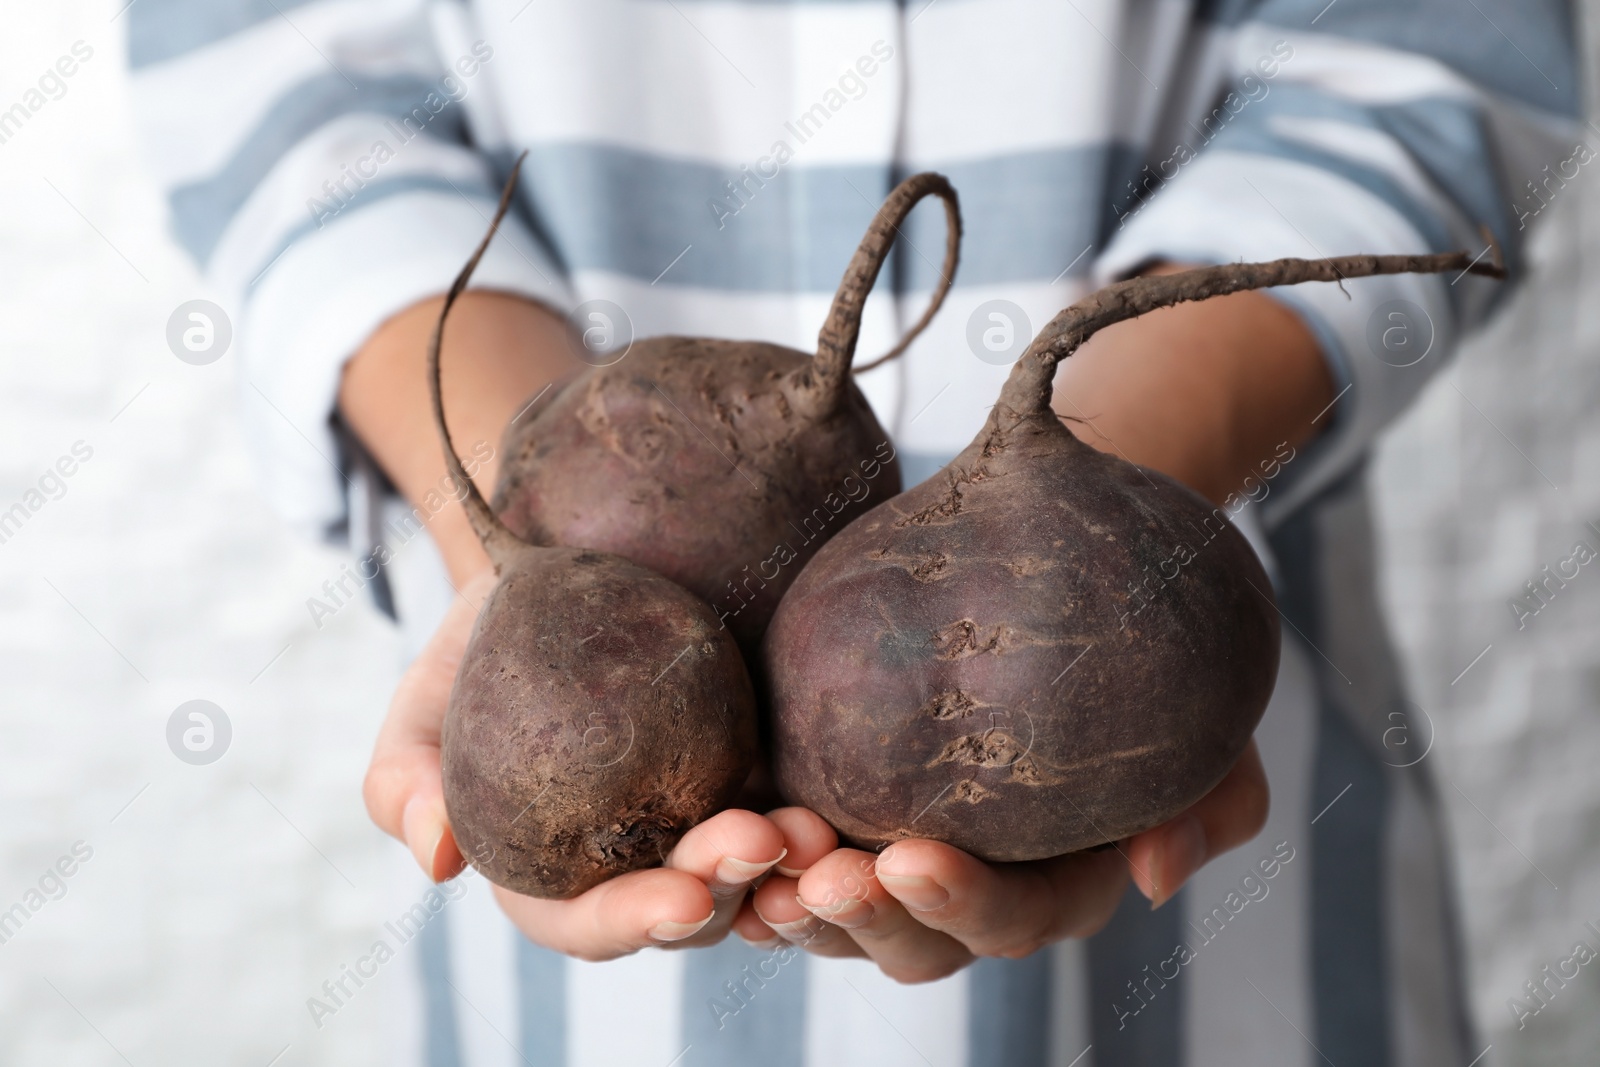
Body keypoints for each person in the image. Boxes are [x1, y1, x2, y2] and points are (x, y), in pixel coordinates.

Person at [129, 1, 1577, 1063]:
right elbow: (278, 105)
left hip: (1227, 975)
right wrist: (505, 562)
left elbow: (1431, 61)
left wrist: (1123, 529)